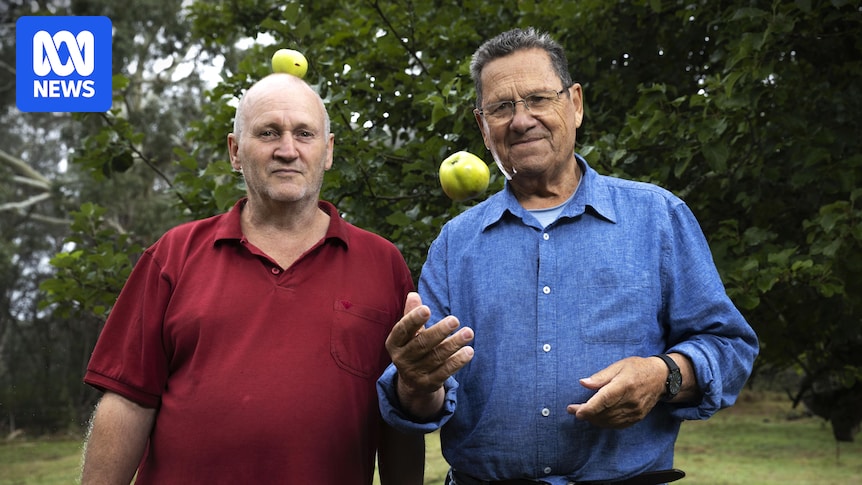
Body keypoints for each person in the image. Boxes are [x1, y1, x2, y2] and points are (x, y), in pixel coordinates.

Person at [377, 27, 759, 485]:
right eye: (501, 107)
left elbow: (730, 347)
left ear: (575, 104)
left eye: (539, 98)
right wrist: (415, 382)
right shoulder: (454, 244)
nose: (521, 120)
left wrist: (664, 375)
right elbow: (426, 399)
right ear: (483, 126)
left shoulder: (657, 217)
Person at [80, 73, 424, 485]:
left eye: (304, 133)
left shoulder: (382, 263)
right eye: (268, 133)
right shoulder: (174, 255)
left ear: (328, 151)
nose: (287, 150)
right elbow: (127, 402)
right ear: (235, 151)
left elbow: (399, 410)